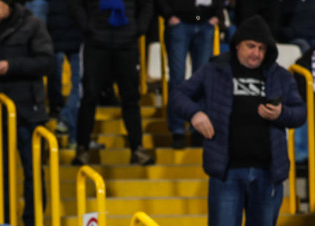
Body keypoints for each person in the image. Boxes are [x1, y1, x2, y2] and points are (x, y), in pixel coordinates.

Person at [171, 15, 306, 226]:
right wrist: (196, 114)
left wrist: (281, 113)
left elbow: (300, 112)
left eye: (261, 48)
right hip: (227, 174)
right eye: (250, 46)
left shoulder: (280, 76)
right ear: (237, 46)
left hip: (268, 175)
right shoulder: (215, 69)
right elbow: (178, 96)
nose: (256, 53)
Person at [0, 0, 54, 226]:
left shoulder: (32, 25)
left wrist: (12, 66)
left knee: (33, 172)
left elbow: (47, 62)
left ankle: (34, 224)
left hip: (28, 112)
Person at [69, 0, 156, 166]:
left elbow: (147, 4)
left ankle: (137, 148)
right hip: (96, 43)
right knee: (89, 97)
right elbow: (75, 4)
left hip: (127, 43)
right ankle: (82, 148)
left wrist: (139, 28)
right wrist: (87, 26)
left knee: (131, 98)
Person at [157, 0, 225, 148]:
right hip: (179, 22)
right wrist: (169, 15)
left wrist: (217, 16)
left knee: (203, 81)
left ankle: (198, 130)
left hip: (206, 22)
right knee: (177, 78)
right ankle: (177, 131)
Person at [47, 0, 84, 146]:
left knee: (77, 83)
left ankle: (60, 112)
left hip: (56, 33)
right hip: (76, 34)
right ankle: (66, 118)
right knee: (79, 84)